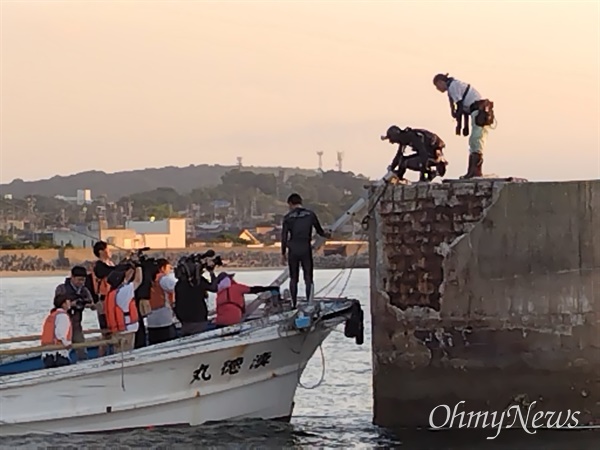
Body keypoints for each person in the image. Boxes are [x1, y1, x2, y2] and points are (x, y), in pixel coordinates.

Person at [433, 73, 495, 178]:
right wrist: (464, 127)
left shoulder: (453, 86)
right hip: (475, 111)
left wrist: (459, 125)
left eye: (437, 86)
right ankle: (472, 171)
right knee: (473, 141)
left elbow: (460, 105)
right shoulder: (454, 85)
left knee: (476, 140)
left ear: (440, 82)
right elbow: (465, 109)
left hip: (480, 112)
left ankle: (476, 171)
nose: (437, 89)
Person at [281, 193, 330, 306]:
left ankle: (293, 304)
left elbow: (284, 237)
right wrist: (327, 235)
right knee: (308, 277)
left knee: (294, 278)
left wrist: (283, 253)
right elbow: (319, 231)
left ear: (290, 204)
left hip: (293, 248)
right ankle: (309, 302)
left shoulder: (288, 217)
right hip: (305, 247)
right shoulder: (310, 214)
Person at [55, 265, 95, 361]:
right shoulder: (62, 288)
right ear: (72, 277)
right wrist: (72, 304)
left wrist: (86, 304)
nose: (81, 283)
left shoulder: (84, 290)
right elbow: (57, 304)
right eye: (79, 280)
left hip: (76, 324)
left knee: (82, 349)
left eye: (83, 280)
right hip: (63, 324)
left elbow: (92, 303)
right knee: (61, 350)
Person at [380, 125, 448, 182]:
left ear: (396, 136)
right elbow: (398, 156)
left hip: (434, 157)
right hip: (429, 155)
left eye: (392, 139)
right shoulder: (405, 138)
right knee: (402, 161)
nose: (391, 142)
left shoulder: (414, 137)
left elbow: (423, 155)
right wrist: (391, 168)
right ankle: (398, 177)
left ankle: (429, 174)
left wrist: (423, 174)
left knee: (405, 162)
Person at [214, 272, 279, 327]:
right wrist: (269, 288)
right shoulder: (237, 287)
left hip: (221, 321)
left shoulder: (220, 294)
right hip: (235, 319)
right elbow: (254, 290)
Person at [104, 262, 143, 352]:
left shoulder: (112, 293)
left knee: (118, 352)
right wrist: (138, 266)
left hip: (117, 329)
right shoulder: (125, 290)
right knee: (126, 352)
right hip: (128, 327)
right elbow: (138, 280)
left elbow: (125, 281)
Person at [174, 261, 218, 336]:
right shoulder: (199, 282)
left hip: (185, 321)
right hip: (199, 319)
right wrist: (211, 272)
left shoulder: (179, 285)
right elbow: (214, 288)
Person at [146, 258, 177, 345]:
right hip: (165, 319)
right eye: (169, 268)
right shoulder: (164, 279)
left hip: (151, 320)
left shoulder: (148, 281)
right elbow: (178, 287)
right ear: (162, 268)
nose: (170, 270)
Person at [40, 293, 73, 369]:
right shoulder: (63, 316)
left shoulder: (53, 315)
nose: (70, 303)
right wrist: (67, 344)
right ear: (63, 304)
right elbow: (60, 334)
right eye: (68, 301)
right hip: (58, 353)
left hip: (47, 352)